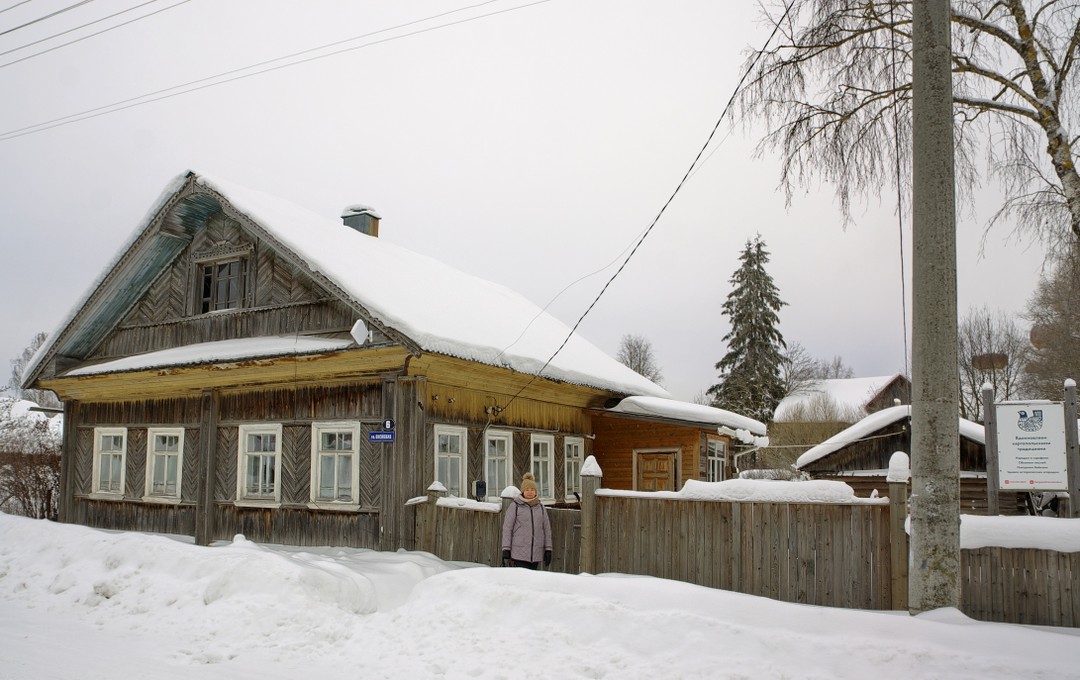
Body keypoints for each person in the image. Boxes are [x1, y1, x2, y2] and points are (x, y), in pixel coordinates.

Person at [501, 472, 552, 569]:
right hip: (519, 553)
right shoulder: (515, 506)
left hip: (536, 553)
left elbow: (547, 529)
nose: (530, 492)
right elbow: (507, 528)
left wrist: (548, 549)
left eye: (532, 489)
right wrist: (506, 548)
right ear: (522, 491)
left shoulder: (540, 507)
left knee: (532, 581)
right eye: (527, 489)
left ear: (536, 491)